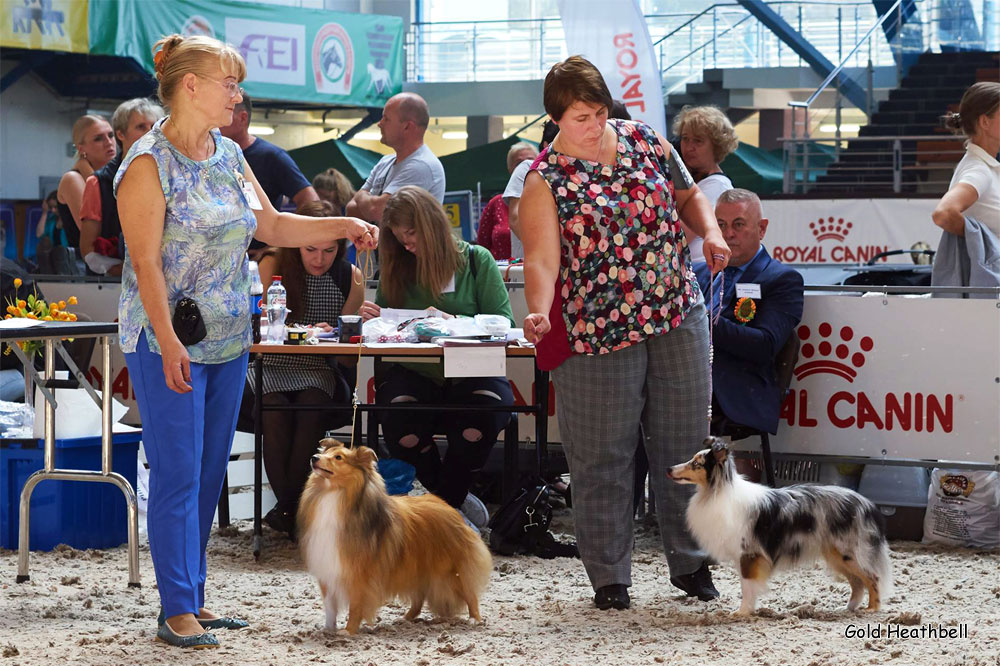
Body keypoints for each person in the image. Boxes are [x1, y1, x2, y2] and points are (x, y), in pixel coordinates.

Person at [114, 33, 378, 649]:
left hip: (231, 337)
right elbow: (146, 265)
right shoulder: (146, 164)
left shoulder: (230, 157)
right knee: (178, 473)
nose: (237, 93)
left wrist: (344, 222)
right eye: (228, 82)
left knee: (207, 474)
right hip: (165, 342)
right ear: (191, 86)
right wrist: (167, 341)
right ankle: (176, 608)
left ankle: (194, 600)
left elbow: (274, 225)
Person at [520, 56, 730, 611]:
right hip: (594, 329)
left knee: (686, 447)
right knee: (601, 458)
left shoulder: (646, 141)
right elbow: (541, 260)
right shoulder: (544, 179)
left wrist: (708, 233)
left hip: (674, 312)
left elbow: (690, 197)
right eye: (580, 117)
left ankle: (692, 565)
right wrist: (539, 311)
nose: (593, 124)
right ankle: (610, 577)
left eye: (599, 112)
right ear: (555, 119)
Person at [359, 186, 514, 532]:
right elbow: (389, 326)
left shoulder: (476, 260)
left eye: (411, 234)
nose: (406, 244)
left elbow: (504, 325)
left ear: (431, 225)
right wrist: (376, 317)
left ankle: (444, 510)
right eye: (399, 238)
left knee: (484, 414)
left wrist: (455, 324)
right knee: (399, 417)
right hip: (415, 374)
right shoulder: (398, 266)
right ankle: (453, 509)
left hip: (475, 373)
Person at [255, 199, 364, 539]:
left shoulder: (351, 276)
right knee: (273, 409)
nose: (319, 259)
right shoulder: (272, 263)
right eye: (310, 249)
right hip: (271, 362)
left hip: (319, 366)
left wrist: (341, 331)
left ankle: (288, 508)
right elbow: (256, 323)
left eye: (329, 251)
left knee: (311, 402)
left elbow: (347, 355)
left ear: (340, 248)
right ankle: (293, 507)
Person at [694, 189, 804, 436]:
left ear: (762, 229)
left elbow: (764, 345)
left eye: (738, 224)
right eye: (720, 225)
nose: (728, 233)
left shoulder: (782, 280)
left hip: (735, 389)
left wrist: (701, 320)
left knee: (658, 408)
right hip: (683, 379)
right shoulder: (695, 273)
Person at [219, 91, 319, 259]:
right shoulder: (214, 154)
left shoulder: (272, 157)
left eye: (226, 112)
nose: (218, 121)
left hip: (256, 263)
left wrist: (275, 247)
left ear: (243, 118)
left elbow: (312, 202)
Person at [79, 98, 165, 276]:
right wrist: (124, 270)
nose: (151, 133)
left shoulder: (173, 176)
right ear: (120, 135)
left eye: (155, 126)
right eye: (141, 127)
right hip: (116, 286)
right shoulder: (99, 182)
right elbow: (88, 249)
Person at [346, 93, 446, 227]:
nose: (379, 124)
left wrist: (362, 196)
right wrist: (371, 204)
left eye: (386, 119)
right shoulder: (385, 162)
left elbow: (378, 211)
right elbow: (351, 210)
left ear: (407, 127)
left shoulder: (422, 166)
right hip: (382, 248)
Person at [672, 105, 739, 262]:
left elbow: (680, 236)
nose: (689, 147)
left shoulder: (716, 186)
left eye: (698, 141)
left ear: (716, 145)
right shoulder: (697, 182)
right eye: (685, 139)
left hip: (700, 271)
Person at [932, 82, 1000, 238]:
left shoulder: (983, 166)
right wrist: (984, 242)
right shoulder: (979, 170)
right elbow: (943, 213)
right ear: (985, 122)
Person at [56, 114, 117, 258]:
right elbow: (95, 235)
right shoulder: (72, 179)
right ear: (81, 148)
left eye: (111, 135)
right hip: (86, 272)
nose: (108, 142)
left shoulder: (115, 175)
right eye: (98, 139)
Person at [477, 141, 538, 260]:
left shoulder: (545, 200)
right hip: (500, 274)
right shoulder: (496, 203)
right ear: (510, 169)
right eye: (519, 163)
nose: (525, 167)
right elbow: (482, 246)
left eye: (530, 161)